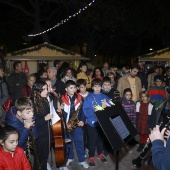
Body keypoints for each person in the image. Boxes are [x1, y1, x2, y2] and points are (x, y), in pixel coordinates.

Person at [83, 78, 114, 166]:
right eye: (95, 86)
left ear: (101, 87)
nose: (97, 88)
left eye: (99, 86)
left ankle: (100, 154)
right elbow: (85, 112)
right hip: (92, 123)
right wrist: (94, 110)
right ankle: (91, 156)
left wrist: (109, 107)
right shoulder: (89, 98)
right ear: (92, 87)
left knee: (100, 140)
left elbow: (111, 105)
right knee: (92, 141)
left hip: (102, 123)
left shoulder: (104, 97)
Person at [61, 80, 89, 169]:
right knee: (68, 142)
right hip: (67, 124)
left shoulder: (80, 97)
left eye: (74, 88)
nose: (73, 90)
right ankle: (70, 157)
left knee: (79, 142)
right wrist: (64, 123)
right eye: (71, 88)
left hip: (77, 123)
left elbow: (83, 111)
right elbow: (59, 114)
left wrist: (82, 120)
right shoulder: (61, 99)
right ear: (66, 89)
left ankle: (82, 160)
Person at [32, 81, 53, 170]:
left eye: (46, 89)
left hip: (47, 132)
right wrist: (45, 118)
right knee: (39, 158)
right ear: (37, 91)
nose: (46, 91)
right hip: (39, 135)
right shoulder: (32, 103)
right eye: (43, 89)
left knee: (45, 156)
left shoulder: (44, 99)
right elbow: (33, 123)